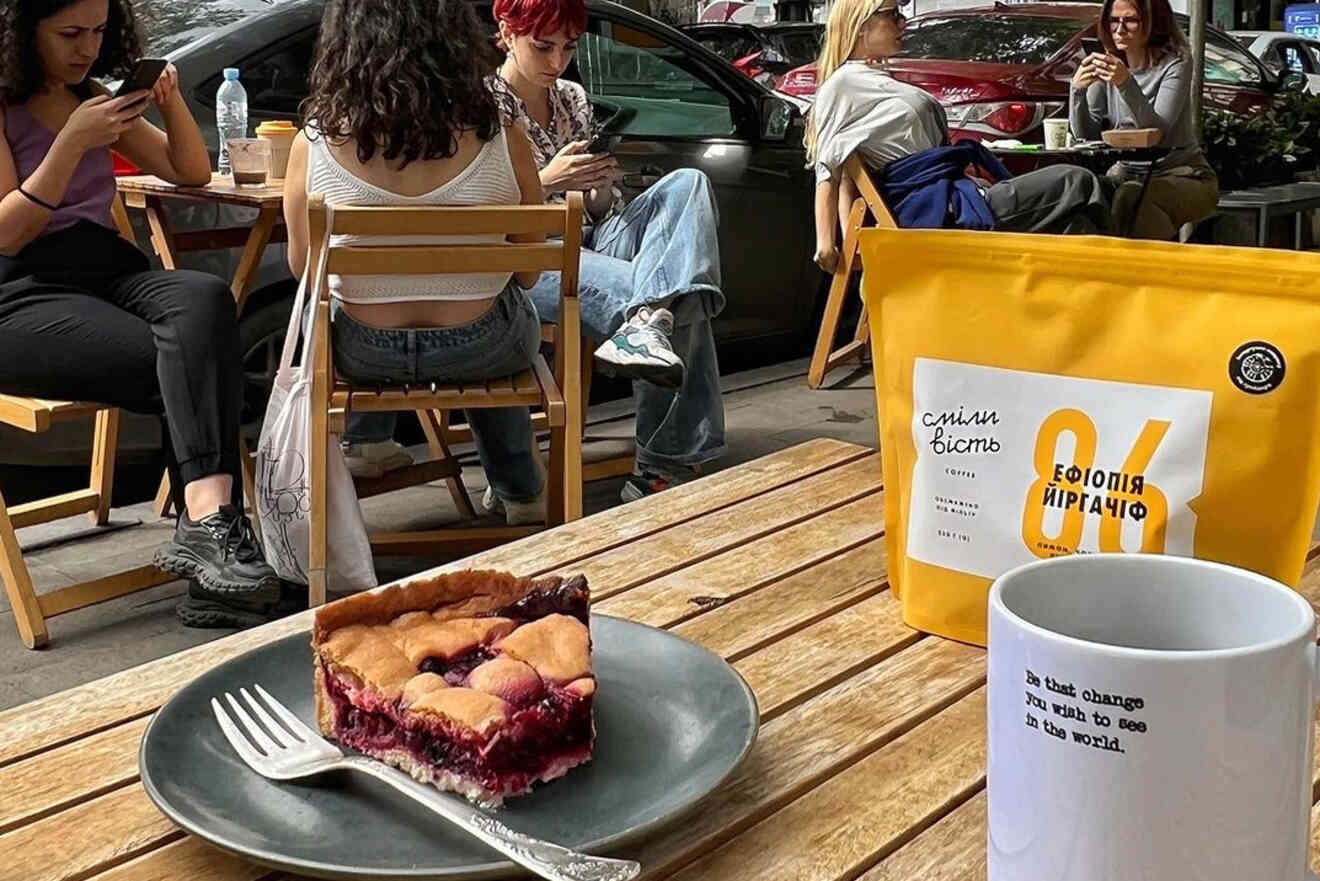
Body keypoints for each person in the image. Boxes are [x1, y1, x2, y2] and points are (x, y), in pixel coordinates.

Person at [0, 0, 284, 628]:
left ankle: (207, 523)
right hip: (18, 289)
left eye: (99, 33)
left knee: (205, 300)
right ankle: (214, 551)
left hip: (106, 270)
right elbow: (8, 233)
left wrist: (169, 99)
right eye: (69, 33)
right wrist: (72, 142)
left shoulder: (96, 98)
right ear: (21, 33)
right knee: (182, 354)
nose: (86, 48)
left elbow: (189, 169)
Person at [282, 0, 548, 525]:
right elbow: (529, 269)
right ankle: (521, 491)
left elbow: (303, 272)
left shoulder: (311, 142)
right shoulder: (500, 131)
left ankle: (368, 445)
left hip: (363, 355)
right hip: (484, 348)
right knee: (504, 304)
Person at [490, 0, 727, 502]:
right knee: (678, 302)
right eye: (543, 46)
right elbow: (482, 207)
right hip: (533, 257)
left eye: (568, 47)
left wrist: (598, 185)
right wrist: (548, 179)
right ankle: (662, 466)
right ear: (507, 33)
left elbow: (600, 209)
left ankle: (646, 323)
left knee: (688, 184)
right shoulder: (483, 104)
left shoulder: (571, 96)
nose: (557, 61)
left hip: (591, 233)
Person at [807, 0, 1111, 271]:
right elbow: (830, 168)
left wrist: (851, 235)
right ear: (861, 25)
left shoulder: (872, 78)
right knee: (1076, 180)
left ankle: (1091, 312)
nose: (903, 23)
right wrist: (827, 243)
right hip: (939, 209)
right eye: (893, 15)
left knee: (1076, 223)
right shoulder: (843, 84)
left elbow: (846, 172)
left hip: (954, 195)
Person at [1069, 0, 1218, 240]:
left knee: (1131, 197)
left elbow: (1159, 133)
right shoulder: (1108, 64)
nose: (1119, 29)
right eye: (1113, 21)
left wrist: (1125, 83)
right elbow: (1086, 135)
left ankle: (1146, 270)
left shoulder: (1175, 62)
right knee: (1086, 195)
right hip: (1126, 171)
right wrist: (1076, 91)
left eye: (1130, 20)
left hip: (1184, 173)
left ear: (1153, 23)